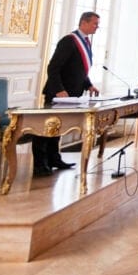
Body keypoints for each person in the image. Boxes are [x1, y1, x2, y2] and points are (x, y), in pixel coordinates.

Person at [33, 11, 101, 177]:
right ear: (83, 23)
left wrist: (89, 84)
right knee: (46, 128)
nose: (97, 27)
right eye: (94, 24)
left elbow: (79, 70)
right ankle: (40, 164)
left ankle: (54, 158)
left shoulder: (86, 42)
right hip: (58, 94)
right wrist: (58, 89)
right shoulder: (69, 41)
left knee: (58, 129)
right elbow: (53, 68)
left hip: (71, 94)